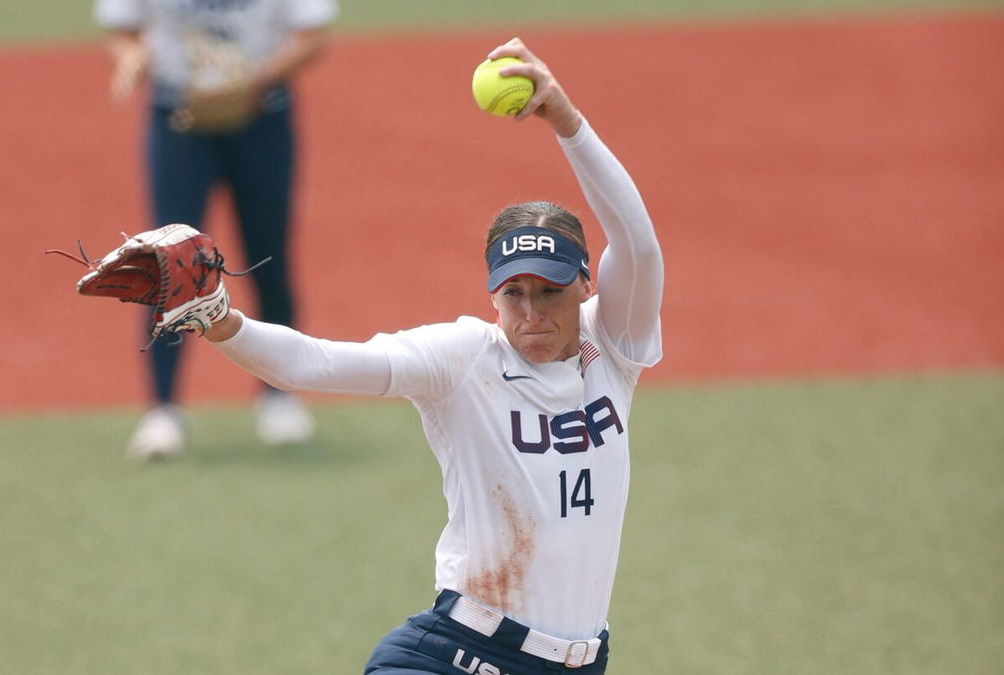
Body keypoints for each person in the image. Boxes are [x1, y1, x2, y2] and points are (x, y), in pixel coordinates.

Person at [190, 37, 662, 673]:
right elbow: (314, 363)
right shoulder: (462, 358)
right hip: (457, 654)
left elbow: (638, 245)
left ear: (586, 284)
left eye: (550, 291)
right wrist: (222, 320)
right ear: (492, 294)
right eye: (513, 292)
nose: (531, 312)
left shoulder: (614, 346)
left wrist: (566, 122)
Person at [93, 0, 339, 458]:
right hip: (178, 120)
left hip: (261, 118)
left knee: (268, 255)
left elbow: (311, 37)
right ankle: (162, 410)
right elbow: (121, 30)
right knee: (166, 262)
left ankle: (278, 394)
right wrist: (131, 58)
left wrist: (249, 83)